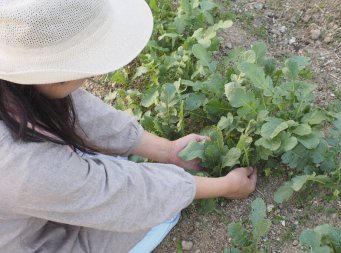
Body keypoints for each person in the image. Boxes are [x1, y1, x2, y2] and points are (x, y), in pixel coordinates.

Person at [0, 0, 257, 252]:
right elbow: (125, 196)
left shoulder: (20, 86)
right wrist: (225, 186)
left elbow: (75, 109)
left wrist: (168, 151)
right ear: (53, 77)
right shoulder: (23, 165)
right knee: (158, 214)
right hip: (22, 240)